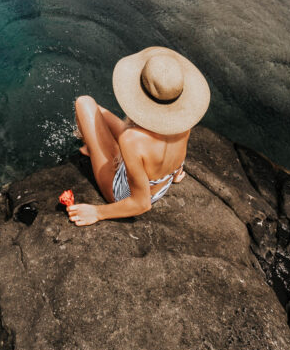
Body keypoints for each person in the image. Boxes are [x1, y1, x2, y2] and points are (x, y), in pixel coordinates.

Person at [67, 46, 210, 226]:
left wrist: (97, 212)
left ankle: (91, 148)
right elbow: (178, 152)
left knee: (84, 103)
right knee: (98, 112)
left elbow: (142, 204)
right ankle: (97, 147)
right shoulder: (184, 122)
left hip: (125, 194)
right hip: (161, 184)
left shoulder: (131, 140)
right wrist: (174, 175)